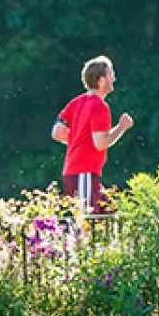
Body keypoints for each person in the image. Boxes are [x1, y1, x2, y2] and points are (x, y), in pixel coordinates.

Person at [52, 55, 133, 215]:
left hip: (75, 173)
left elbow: (57, 133)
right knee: (87, 221)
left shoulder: (75, 103)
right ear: (101, 80)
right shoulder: (99, 106)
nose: (114, 78)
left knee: (109, 214)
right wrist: (121, 127)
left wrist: (79, 139)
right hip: (84, 173)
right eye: (111, 74)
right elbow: (101, 143)